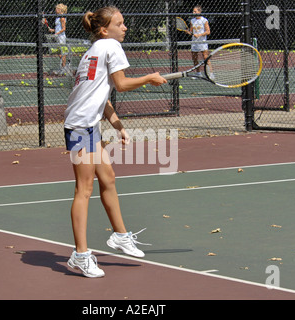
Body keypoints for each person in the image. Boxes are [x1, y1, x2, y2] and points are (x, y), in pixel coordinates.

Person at [64, 6, 167, 278]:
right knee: (84, 190)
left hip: (87, 124)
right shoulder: (110, 46)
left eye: (123, 23)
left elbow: (101, 95)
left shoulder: (94, 50)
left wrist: (117, 124)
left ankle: (120, 236)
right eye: (119, 24)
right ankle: (80, 255)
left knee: (108, 178)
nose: (124, 28)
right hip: (80, 127)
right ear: (104, 29)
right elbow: (120, 85)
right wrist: (149, 78)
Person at [189, 5, 212, 79]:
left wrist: (199, 35)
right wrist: (188, 32)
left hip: (202, 42)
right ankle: (198, 73)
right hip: (194, 43)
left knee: (206, 58)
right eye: (193, 11)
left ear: (199, 12)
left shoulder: (204, 20)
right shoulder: (192, 21)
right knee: (194, 58)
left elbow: (208, 31)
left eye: (195, 11)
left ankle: (210, 74)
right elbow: (191, 31)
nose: (194, 12)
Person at [48, 3, 69, 75]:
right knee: (59, 52)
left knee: (63, 53)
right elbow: (58, 28)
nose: (55, 10)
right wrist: (53, 30)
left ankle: (63, 68)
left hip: (61, 37)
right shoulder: (58, 17)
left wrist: (57, 33)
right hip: (58, 36)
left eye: (56, 9)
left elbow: (63, 29)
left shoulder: (62, 17)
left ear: (60, 9)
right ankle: (63, 67)